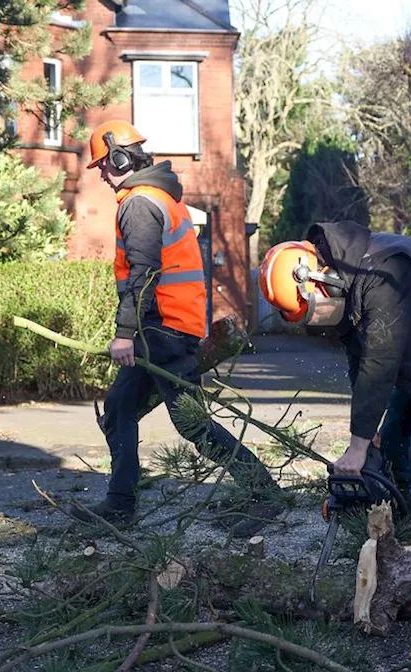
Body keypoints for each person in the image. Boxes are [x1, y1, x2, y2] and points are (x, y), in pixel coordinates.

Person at [75, 120, 284, 537]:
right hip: (167, 326)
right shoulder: (160, 198)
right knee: (119, 406)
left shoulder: (139, 203)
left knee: (192, 423)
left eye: (103, 165)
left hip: (162, 329)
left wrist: (124, 333)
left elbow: (144, 273)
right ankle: (120, 503)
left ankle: (265, 493)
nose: (100, 173)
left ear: (120, 159)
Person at [259, 221, 411, 529]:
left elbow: (381, 360)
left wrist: (358, 447)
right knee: (390, 446)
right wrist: (366, 430)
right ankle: (402, 527)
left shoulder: (383, 273)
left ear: (322, 277)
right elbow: (359, 359)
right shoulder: (350, 278)